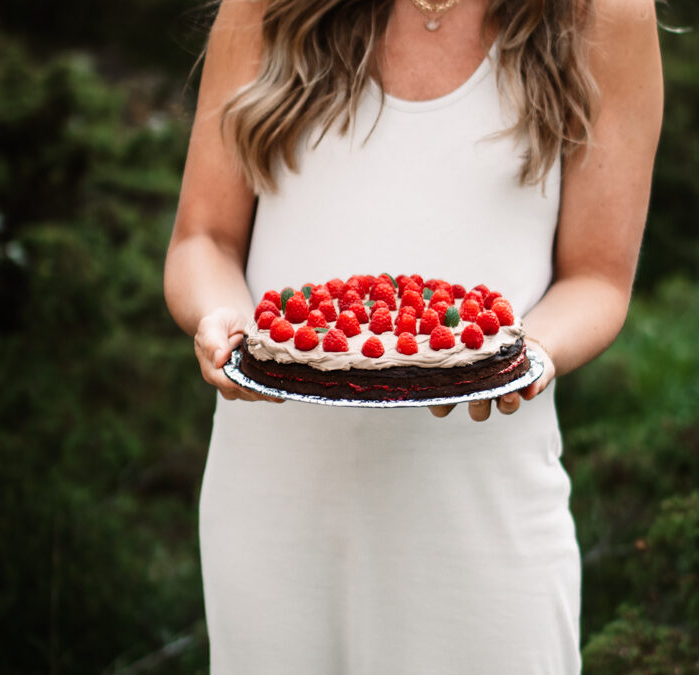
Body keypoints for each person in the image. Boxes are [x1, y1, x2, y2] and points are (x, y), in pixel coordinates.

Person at [164, 0, 662, 672]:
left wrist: (523, 356)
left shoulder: (604, 11)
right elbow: (204, 237)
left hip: (481, 504)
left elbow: (598, 277)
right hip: (271, 505)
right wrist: (220, 318)